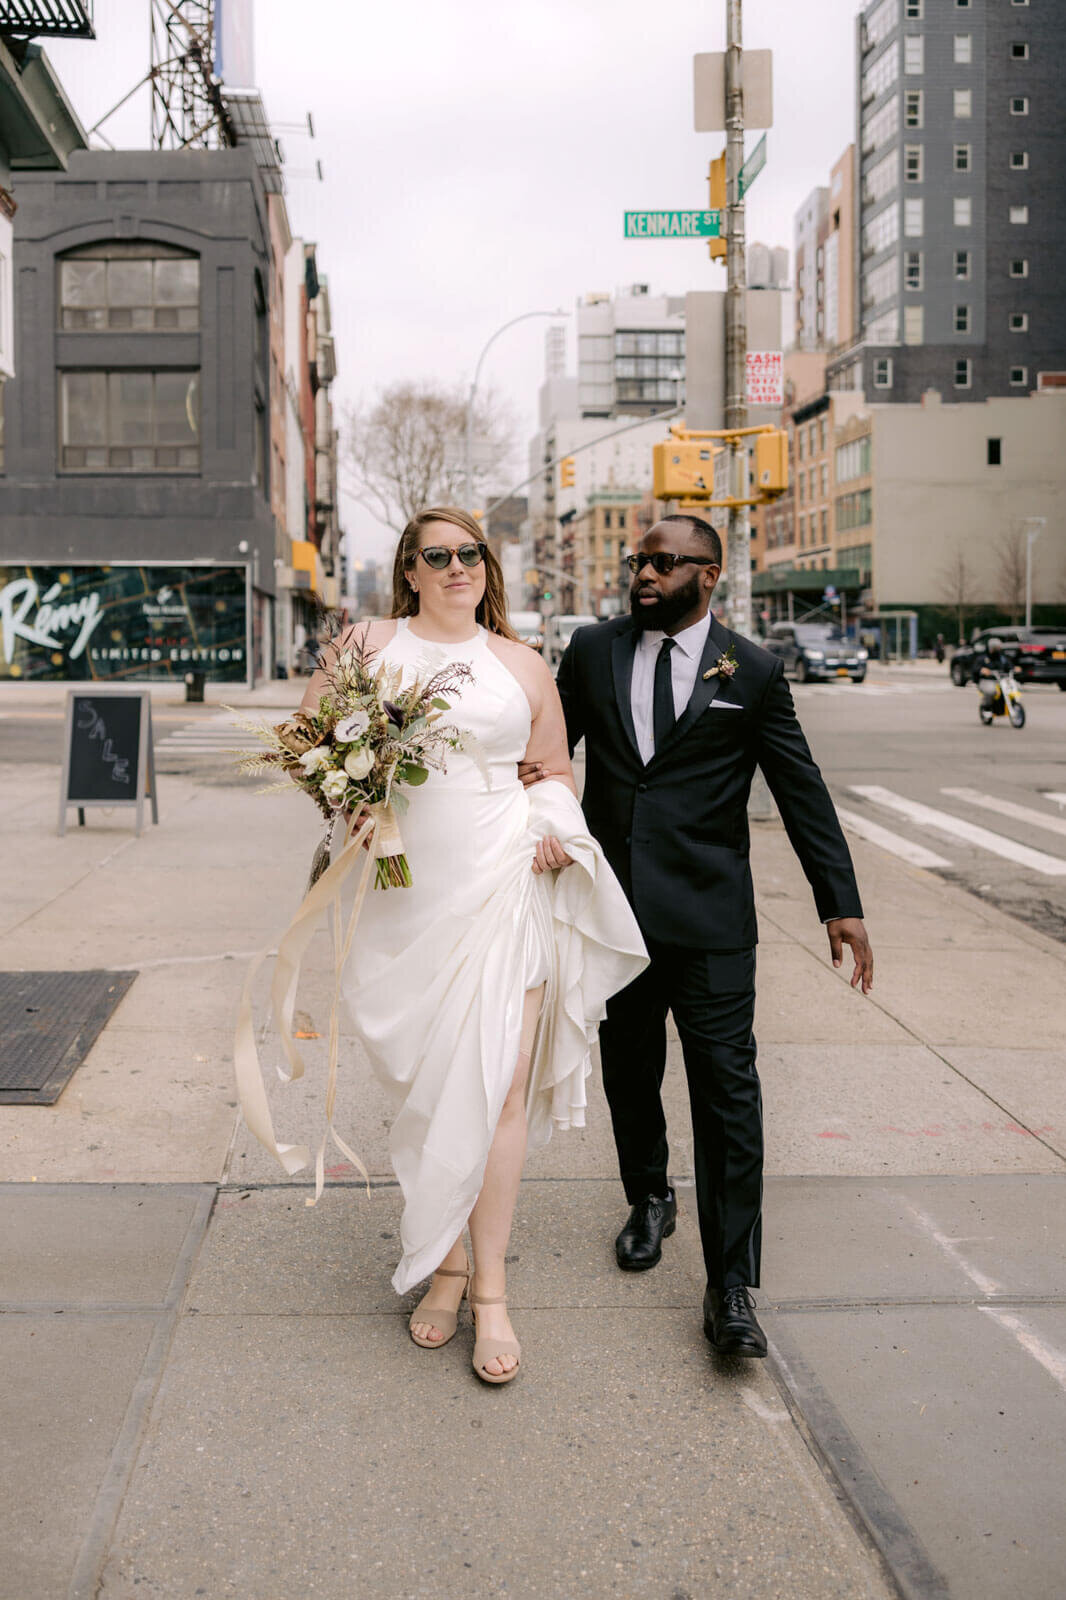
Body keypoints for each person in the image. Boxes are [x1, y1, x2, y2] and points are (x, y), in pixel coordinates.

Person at [296, 508, 647, 1385]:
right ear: (409, 571)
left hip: (501, 889)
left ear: (489, 568)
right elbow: (307, 748)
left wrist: (557, 828)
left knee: (497, 1095)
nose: (459, 568)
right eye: (438, 557)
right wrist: (351, 791)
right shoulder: (364, 646)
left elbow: (553, 772)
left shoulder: (522, 665)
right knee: (426, 1090)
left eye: (472, 555)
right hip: (403, 897)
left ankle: (487, 1288)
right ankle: (443, 1261)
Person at [525, 514, 873, 1359]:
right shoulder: (593, 650)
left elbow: (800, 787)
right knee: (631, 1069)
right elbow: (546, 760)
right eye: (637, 560)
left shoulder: (750, 669)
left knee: (727, 1092)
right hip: (613, 915)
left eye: (663, 562)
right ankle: (649, 1199)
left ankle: (731, 1287)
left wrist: (841, 900)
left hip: (713, 921)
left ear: (709, 575)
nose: (643, 573)